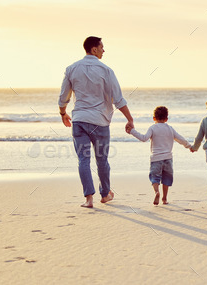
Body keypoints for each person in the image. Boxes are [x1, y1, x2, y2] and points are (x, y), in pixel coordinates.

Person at [58, 36, 134, 208]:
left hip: (79, 121)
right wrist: (130, 118)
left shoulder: (71, 69)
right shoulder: (106, 70)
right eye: (101, 47)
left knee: (83, 160)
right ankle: (105, 194)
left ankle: (89, 199)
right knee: (102, 161)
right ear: (93, 49)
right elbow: (118, 99)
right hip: (100, 122)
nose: (103, 50)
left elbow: (64, 97)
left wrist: (63, 113)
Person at [127, 106, 191, 205]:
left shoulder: (152, 128)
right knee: (166, 179)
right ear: (166, 119)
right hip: (168, 159)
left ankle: (157, 192)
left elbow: (144, 138)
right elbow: (180, 139)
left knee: (155, 178)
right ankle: (164, 198)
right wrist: (189, 146)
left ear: (154, 118)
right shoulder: (170, 128)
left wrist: (132, 131)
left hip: (156, 159)